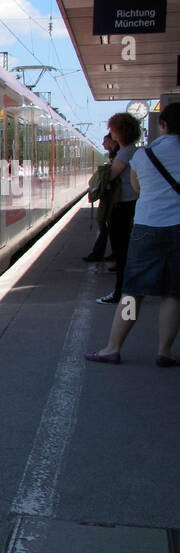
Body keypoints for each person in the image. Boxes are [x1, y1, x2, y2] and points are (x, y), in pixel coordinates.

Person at [86, 101, 180, 366]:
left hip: (147, 228)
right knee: (173, 294)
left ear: (162, 125)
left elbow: (138, 190)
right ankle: (165, 351)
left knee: (132, 292)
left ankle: (113, 347)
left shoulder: (142, 156)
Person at [95, 113, 142, 304]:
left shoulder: (125, 153)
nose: (110, 132)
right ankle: (125, 291)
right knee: (123, 251)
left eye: (112, 128)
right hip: (127, 205)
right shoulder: (131, 151)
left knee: (122, 252)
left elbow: (109, 177)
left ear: (119, 131)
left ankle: (122, 294)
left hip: (123, 207)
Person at [83, 132, 119, 262]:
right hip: (111, 197)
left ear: (113, 142)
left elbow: (110, 177)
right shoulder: (115, 156)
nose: (103, 144)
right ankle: (112, 253)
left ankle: (100, 253)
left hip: (113, 198)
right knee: (107, 226)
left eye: (105, 141)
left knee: (105, 224)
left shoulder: (120, 156)